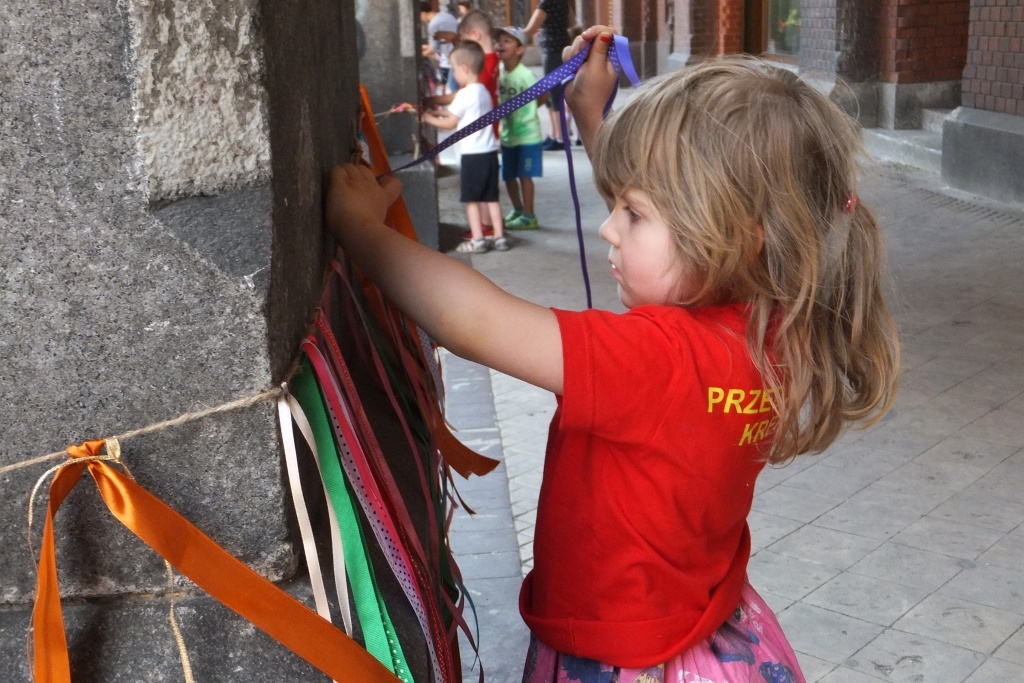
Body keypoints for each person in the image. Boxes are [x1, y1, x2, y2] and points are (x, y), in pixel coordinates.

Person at [328, 25, 899, 683]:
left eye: (632, 213)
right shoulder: (777, 320)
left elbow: (473, 320)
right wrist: (589, 114)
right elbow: (679, 220)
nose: (608, 227)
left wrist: (359, 228)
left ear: (730, 236)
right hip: (702, 624)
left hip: (618, 656)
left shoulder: (656, 360)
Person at [421, 42, 509, 253]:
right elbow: (463, 114)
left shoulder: (464, 94)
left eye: (454, 69)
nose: (454, 74)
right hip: (490, 154)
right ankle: (499, 237)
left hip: (472, 156)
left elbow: (451, 123)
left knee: (472, 200)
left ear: (465, 69)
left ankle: (478, 240)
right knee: (491, 198)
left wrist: (428, 118)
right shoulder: (483, 92)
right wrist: (438, 113)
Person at [496, 26, 544, 230]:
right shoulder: (499, 72)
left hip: (528, 136)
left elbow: (542, 96)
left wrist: (528, 111)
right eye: (499, 41)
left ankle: (529, 215)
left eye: (507, 41)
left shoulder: (525, 75)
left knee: (525, 175)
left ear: (519, 49)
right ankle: (517, 209)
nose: (500, 44)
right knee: (508, 175)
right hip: (508, 135)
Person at [524, 0, 572, 151]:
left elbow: (529, 30)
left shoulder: (546, 3)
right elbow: (571, 22)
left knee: (554, 92)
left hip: (552, 50)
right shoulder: (563, 2)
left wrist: (510, 33)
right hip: (562, 46)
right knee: (554, 92)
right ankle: (554, 134)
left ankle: (560, 138)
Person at [420, 2, 460, 94]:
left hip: (450, 59)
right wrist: (424, 48)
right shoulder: (446, 16)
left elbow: (433, 49)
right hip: (458, 54)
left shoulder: (433, 24)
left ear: (423, 14)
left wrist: (419, 56)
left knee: (452, 88)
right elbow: (437, 43)